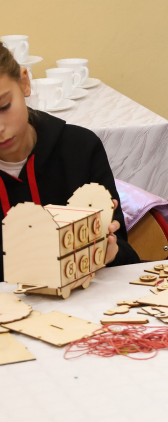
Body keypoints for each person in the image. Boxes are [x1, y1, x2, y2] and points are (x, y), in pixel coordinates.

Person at [0, 45, 139, 281]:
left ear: (24, 82)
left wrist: (110, 251)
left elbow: (126, 258)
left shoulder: (80, 149)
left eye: (3, 106)